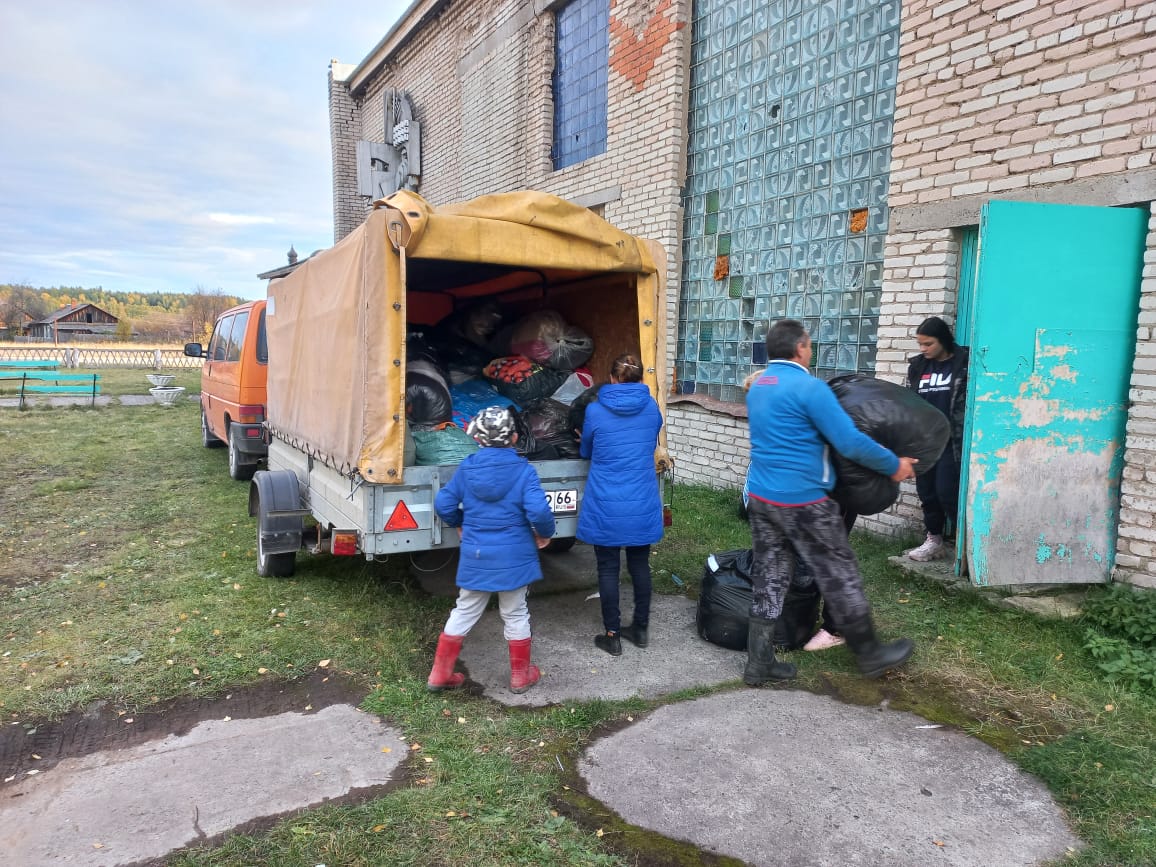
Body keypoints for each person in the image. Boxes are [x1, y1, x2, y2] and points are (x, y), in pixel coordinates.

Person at [744, 319, 918, 683]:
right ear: (801, 347)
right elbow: (850, 442)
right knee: (838, 573)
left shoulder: (758, 387)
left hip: (761, 497)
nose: (811, 349)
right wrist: (894, 465)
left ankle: (759, 662)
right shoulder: (811, 389)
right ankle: (871, 654)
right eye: (809, 344)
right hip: (803, 501)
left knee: (770, 575)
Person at [427, 405, 556, 694]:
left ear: (478, 439)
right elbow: (538, 511)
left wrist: (459, 523)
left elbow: (444, 504)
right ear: (512, 438)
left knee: (465, 609)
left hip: (477, 553)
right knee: (515, 612)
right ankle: (520, 677)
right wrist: (544, 534)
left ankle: (440, 674)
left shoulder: (468, 468)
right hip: (514, 554)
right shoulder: (524, 471)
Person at [577, 353, 664, 656]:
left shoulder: (595, 410)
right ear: (641, 378)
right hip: (641, 500)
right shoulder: (652, 408)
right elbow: (649, 442)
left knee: (608, 567)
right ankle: (640, 629)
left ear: (612, 378)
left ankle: (612, 634)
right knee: (640, 565)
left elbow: (586, 450)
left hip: (606, 503)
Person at [905, 316, 970, 562]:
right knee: (927, 493)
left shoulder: (963, 364)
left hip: (952, 442)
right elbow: (909, 403)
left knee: (948, 492)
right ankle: (934, 541)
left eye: (928, 344)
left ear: (942, 340)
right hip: (925, 442)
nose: (923, 349)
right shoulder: (918, 367)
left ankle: (966, 545)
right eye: (920, 344)